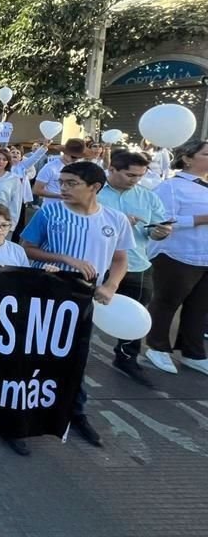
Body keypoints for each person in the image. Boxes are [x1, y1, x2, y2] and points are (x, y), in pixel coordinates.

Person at [21, 161, 133, 451]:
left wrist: (111, 286)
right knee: (34, 355)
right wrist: (65, 259)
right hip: (45, 294)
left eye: (72, 183)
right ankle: (19, 417)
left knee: (76, 357)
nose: (64, 188)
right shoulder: (49, 212)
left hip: (85, 300)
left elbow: (121, 259)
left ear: (94, 187)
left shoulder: (115, 219)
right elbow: (27, 246)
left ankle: (75, 412)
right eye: (62, 182)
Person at [97, 150, 171, 386]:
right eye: (130, 175)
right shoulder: (94, 193)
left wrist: (159, 232)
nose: (135, 180)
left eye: (140, 175)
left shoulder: (147, 197)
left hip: (136, 263)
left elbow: (155, 228)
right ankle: (74, 355)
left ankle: (127, 357)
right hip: (97, 263)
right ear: (113, 170)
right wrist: (116, 221)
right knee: (84, 313)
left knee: (135, 313)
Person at [144, 139, 208, 376]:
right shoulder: (171, 187)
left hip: (205, 256)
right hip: (177, 254)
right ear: (188, 158)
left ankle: (194, 353)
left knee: (200, 307)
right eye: (207, 154)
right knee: (166, 302)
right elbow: (161, 220)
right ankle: (157, 347)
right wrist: (201, 219)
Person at [34, 138, 86, 205]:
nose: (76, 159)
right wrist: (60, 196)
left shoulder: (80, 168)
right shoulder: (50, 167)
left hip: (72, 208)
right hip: (52, 207)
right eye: (74, 157)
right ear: (65, 152)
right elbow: (37, 190)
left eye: (79, 157)